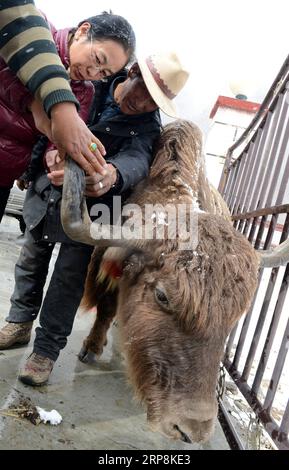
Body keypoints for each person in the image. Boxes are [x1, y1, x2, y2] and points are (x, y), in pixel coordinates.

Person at [0, 52, 189, 386]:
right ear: (130, 73)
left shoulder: (147, 127)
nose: (143, 104)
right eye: (142, 91)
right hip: (47, 192)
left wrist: (113, 175)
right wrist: (32, 168)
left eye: (152, 102)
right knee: (29, 262)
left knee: (68, 280)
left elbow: (138, 160)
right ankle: (18, 323)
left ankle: (45, 351)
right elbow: (49, 124)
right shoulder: (88, 87)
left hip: (92, 210)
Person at [0, 5, 136, 222]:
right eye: (98, 59)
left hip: (4, 174)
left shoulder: (84, 92)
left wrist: (56, 156)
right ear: (83, 31)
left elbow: (63, 139)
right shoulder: (33, 27)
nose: (93, 72)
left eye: (104, 73)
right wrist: (37, 103)